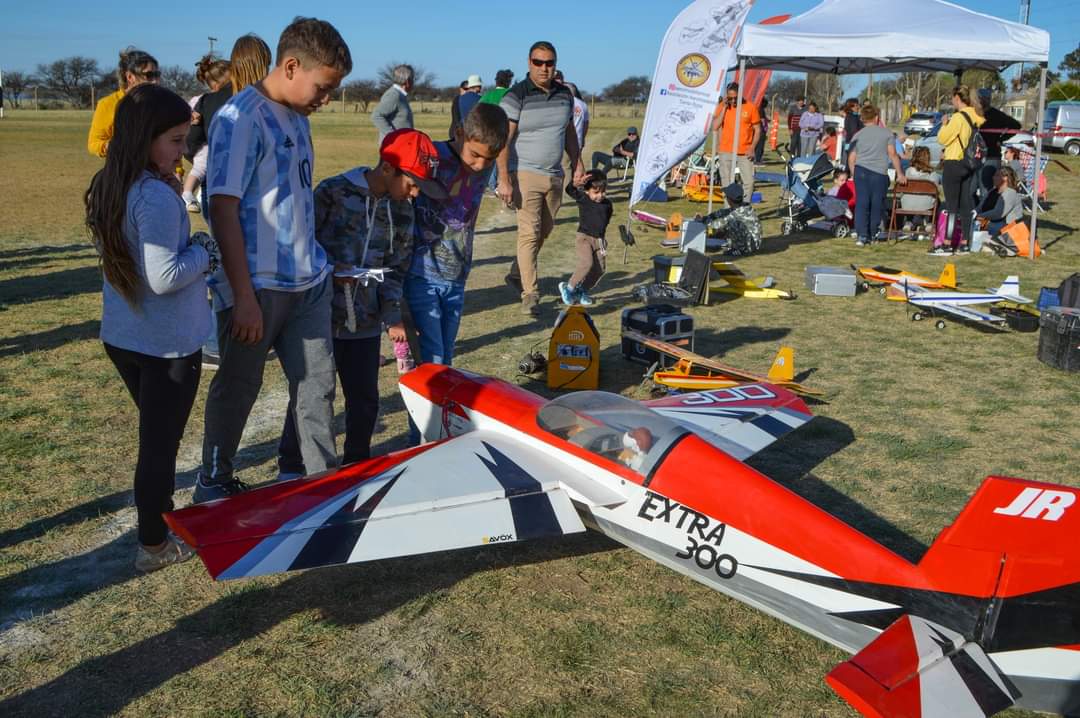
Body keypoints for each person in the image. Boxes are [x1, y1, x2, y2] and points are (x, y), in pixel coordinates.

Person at [194, 17, 352, 502]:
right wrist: (242, 296)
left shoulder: (298, 116)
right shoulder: (240, 118)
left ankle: (321, 485)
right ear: (290, 66)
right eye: (323, 88)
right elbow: (221, 206)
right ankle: (213, 483)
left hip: (308, 281)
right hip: (257, 288)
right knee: (239, 388)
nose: (326, 99)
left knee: (318, 386)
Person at [85, 84, 219, 570]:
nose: (182, 151)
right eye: (175, 140)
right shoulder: (154, 198)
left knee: (157, 439)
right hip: (165, 345)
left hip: (125, 337)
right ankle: (153, 545)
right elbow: (164, 278)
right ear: (143, 138)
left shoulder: (111, 182)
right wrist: (204, 249)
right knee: (159, 449)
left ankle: (156, 522)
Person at [278, 129, 438, 475]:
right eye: (411, 183)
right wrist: (331, 271)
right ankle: (291, 465)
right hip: (318, 316)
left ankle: (355, 467)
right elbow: (301, 247)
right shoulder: (332, 193)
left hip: (365, 322)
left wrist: (391, 313)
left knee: (364, 401)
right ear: (387, 168)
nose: (414, 194)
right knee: (311, 395)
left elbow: (397, 267)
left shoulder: (404, 211)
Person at [405, 103, 510, 444]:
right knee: (432, 361)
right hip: (421, 274)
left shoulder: (487, 163)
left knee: (445, 360)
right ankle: (423, 442)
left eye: (488, 160)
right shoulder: (432, 156)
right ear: (461, 133)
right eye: (475, 155)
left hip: (457, 275)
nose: (480, 165)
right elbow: (395, 163)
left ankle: (436, 435)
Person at [184, 34, 272, 370]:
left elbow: (191, 144)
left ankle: (230, 337)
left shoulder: (213, 100)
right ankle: (215, 342)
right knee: (229, 270)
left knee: (230, 267)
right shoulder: (245, 103)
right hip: (234, 196)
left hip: (218, 192)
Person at [497, 40, 585, 318]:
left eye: (549, 63)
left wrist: (578, 163)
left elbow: (569, 132)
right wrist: (504, 178)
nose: (544, 68)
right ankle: (530, 293)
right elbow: (503, 139)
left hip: (554, 175)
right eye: (538, 62)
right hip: (524, 173)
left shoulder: (564, 95)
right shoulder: (515, 95)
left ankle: (516, 273)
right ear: (529, 63)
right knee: (529, 232)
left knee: (544, 231)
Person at [848, 103, 906, 247]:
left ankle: (862, 235)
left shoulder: (858, 135)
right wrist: (900, 173)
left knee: (861, 203)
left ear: (862, 119)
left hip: (861, 171)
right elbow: (893, 154)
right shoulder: (886, 133)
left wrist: (854, 173)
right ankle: (873, 232)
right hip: (879, 172)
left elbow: (851, 158)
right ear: (876, 117)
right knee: (876, 204)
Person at [937, 85, 985, 253]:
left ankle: (948, 242)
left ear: (958, 98)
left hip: (954, 161)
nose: (952, 101)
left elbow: (943, 139)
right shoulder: (977, 116)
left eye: (952, 98)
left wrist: (944, 124)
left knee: (951, 205)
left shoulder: (958, 118)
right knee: (966, 203)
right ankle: (965, 242)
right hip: (969, 164)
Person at [88, 48, 160, 157]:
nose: (155, 80)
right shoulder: (109, 104)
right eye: (149, 75)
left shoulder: (161, 103)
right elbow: (94, 143)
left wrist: (177, 169)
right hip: (124, 169)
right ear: (130, 77)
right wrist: (116, 147)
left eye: (157, 74)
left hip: (158, 171)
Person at [181, 55, 230, 213]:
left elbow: (192, 137)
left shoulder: (204, 100)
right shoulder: (240, 98)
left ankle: (190, 192)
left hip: (209, 158)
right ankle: (188, 192)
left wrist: (190, 153)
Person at [559, 169, 612, 307]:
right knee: (587, 263)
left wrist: (602, 240)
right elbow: (569, 190)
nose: (600, 195)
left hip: (599, 241)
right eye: (596, 192)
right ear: (587, 190)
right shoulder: (583, 199)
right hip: (584, 237)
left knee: (600, 269)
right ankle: (569, 287)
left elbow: (605, 222)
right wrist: (575, 184)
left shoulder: (608, 205)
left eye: (603, 191)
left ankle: (581, 290)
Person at [712, 82, 761, 198]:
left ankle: (744, 208)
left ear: (740, 95)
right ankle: (728, 210)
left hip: (745, 152)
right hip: (726, 151)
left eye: (736, 98)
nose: (733, 101)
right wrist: (724, 108)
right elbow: (714, 126)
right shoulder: (722, 106)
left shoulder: (751, 107)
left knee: (749, 182)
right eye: (730, 98)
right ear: (727, 96)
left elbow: (758, 130)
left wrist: (752, 147)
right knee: (727, 183)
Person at [976, 88, 1021, 198]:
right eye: (979, 99)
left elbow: (1016, 126)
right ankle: (975, 212)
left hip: (991, 157)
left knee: (986, 189)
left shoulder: (997, 115)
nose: (981, 101)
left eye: (984, 99)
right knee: (970, 189)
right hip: (975, 157)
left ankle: (986, 213)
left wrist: (1001, 139)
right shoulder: (974, 114)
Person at [698, 183, 762, 257]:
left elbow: (714, 225)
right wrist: (707, 217)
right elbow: (722, 212)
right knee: (726, 223)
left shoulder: (735, 215)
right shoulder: (744, 207)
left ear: (729, 200)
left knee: (729, 225)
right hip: (754, 243)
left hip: (748, 247)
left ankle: (739, 250)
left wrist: (702, 220)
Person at [900, 146, 940, 236]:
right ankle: (930, 223)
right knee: (937, 200)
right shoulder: (932, 174)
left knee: (912, 198)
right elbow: (936, 191)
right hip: (926, 205)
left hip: (907, 204)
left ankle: (909, 222)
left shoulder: (907, 172)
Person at [977, 166, 1022, 238]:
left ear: (1005, 178)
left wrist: (979, 216)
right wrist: (974, 213)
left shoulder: (1011, 193)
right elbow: (980, 207)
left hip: (1006, 230)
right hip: (988, 223)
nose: (993, 177)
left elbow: (998, 213)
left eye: (997, 175)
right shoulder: (992, 191)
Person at [372, 64, 414, 141]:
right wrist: (393, 136)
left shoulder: (400, 95)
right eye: (413, 79)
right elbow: (376, 116)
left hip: (402, 145)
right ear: (407, 81)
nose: (413, 82)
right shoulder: (394, 95)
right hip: (394, 147)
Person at [450, 74, 483, 139]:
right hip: (475, 131)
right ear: (476, 86)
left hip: (462, 130)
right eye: (480, 86)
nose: (481, 88)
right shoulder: (481, 99)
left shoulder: (460, 98)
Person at [566, 82, 589, 156]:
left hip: (565, 142)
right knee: (576, 165)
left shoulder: (564, 102)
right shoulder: (583, 104)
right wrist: (582, 138)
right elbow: (585, 124)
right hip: (578, 141)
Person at [841, 98, 863, 167]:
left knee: (849, 162)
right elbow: (854, 131)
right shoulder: (853, 117)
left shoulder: (850, 116)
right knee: (851, 164)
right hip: (853, 143)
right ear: (851, 107)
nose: (858, 107)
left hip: (849, 142)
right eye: (856, 105)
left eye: (858, 105)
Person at [753, 98, 769, 165]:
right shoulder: (761, 110)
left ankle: (756, 158)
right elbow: (762, 121)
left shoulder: (757, 109)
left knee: (757, 145)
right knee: (760, 146)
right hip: (761, 131)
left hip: (758, 130)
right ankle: (758, 160)